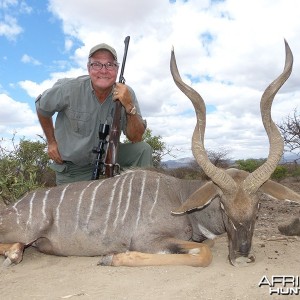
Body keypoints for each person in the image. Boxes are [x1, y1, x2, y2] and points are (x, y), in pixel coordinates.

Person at [36, 43, 153, 185]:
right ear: (88, 68)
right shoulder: (68, 88)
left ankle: (137, 198)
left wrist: (129, 106)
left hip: (109, 158)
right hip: (74, 168)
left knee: (143, 150)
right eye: (97, 64)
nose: (103, 70)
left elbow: (136, 137)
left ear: (116, 69)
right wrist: (51, 142)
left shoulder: (126, 93)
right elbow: (42, 109)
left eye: (110, 65)